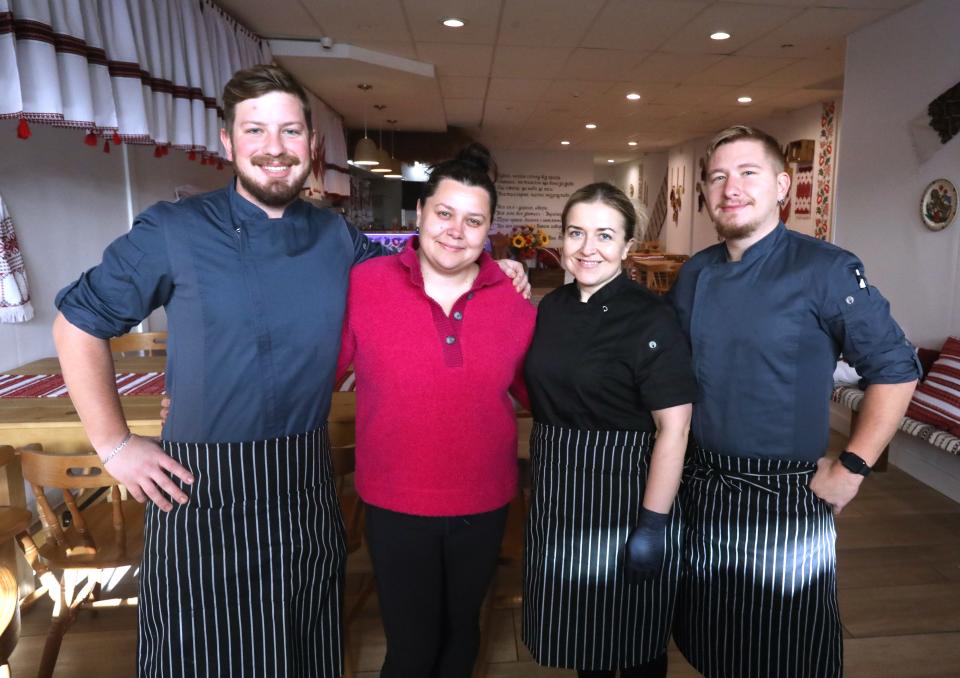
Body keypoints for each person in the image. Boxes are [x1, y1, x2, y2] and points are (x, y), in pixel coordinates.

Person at [52, 65, 527, 678]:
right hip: (202, 486)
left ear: (312, 144)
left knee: (303, 650)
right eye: (255, 130)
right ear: (228, 142)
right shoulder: (174, 230)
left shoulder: (338, 239)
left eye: (290, 131)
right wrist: (115, 445)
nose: (274, 148)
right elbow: (77, 323)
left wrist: (499, 272)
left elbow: (419, 273)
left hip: (303, 481)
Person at [668, 125, 921, 678]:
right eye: (717, 177)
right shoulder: (694, 273)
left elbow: (897, 368)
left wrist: (853, 467)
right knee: (715, 640)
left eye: (747, 173)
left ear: (783, 186)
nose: (730, 187)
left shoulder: (825, 269)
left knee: (785, 653)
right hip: (703, 486)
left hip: (785, 495)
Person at [335, 143, 536, 677]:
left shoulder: (514, 302)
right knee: (411, 646)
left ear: (490, 229)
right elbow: (312, 377)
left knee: (461, 636)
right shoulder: (364, 286)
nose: (456, 231)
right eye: (444, 213)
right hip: (396, 501)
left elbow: (540, 391)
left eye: (474, 221)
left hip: (485, 500)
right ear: (419, 213)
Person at [521, 182, 698, 678]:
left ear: (627, 246)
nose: (587, 248)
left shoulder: (651, 317)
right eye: (576, 233)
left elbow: (675, 429)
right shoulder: (552, 308)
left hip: (626, 496)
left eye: (604, 235)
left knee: (636, 643)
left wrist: (653, 524)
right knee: (585, 643)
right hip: (559, 495)